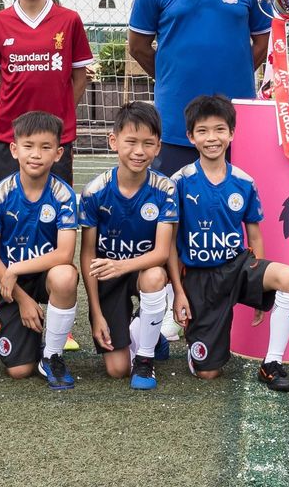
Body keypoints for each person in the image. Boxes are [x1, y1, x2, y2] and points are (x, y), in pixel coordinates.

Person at [129, 0, 271, 180]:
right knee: (173, 210)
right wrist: (173, 76)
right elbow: (138, 46)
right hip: (175, 120)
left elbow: (263, 43)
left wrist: (234, 71)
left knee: (235, 206)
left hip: (235, 121)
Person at [169, 95, 289, 393]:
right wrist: (177, 292)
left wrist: (260, 292)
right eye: (202, 131)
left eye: (219, 129)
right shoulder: (179, 182)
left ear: (231, 133)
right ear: (190, 136)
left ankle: (272, 363)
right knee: (209, 373)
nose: (212, 138)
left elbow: (253, 234)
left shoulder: (244, 181)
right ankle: (192, 338)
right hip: (200, 277)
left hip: (237, 265)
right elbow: (169, 242)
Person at [80, 102, 176, 391]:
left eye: (148, 143)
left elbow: (161, 253)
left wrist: (121, 265)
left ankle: (145, 358)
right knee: (117, 370)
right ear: (113, 141)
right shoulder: (94, 192)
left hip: (138, 271)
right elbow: (87, 255)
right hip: (107, 278)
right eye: (131, 141)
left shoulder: (166, 189)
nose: (139, 151)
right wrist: (95, 313)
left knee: (155, 275)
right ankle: (150, 331)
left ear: (158, 147)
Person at [0, 111, 80, 388]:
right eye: (28, 146)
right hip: (13, 284)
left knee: (65, 275)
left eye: (45, 147)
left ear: (58, 153)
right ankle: (25, 339)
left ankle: (52, 355)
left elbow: (64, 255)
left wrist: (16, 268)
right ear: (14, 149)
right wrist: (23, 300)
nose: (36, 154)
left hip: (42, 274)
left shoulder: (63, 195)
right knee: (20, 370)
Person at [0, 0, 93, 186]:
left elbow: (80, 77)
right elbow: (0, 79)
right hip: (8, 133)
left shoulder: (70, 20)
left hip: (55, 134)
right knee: (8, 206)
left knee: (55, 207)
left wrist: (62, 110)